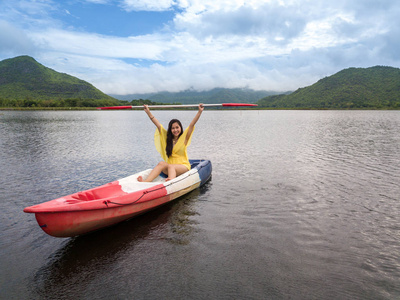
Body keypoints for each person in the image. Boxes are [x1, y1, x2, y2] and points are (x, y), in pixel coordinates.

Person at [138, 103, 204, 182]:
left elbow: (192, 124)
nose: (175, 130)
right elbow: (158, 125)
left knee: (171, 167)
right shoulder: (167, 139)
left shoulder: (184, 138)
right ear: (170, 130)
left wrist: (199, 112)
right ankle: (146, 182)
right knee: (161, 163)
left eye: (177, 127)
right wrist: (148, 112)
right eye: (173, 128)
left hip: (183, 167)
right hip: (170, 166)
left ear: (180, 128)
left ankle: (171, 182)